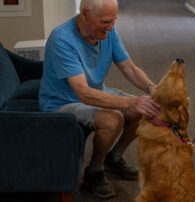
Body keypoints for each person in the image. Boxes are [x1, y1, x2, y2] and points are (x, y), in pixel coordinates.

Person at [39, 0, 160, 199]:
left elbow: (128, 67)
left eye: (114, 21)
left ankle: (115, 157)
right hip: (61, 103)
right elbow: (83, 94)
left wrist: (151, 88)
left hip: (94, 93)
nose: (111, 27)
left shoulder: (108, 32)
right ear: (85, 14)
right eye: (105, 21)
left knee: (144, 108)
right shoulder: (62, 38)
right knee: (113, 119)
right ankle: (94, 172)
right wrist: (131, 102)